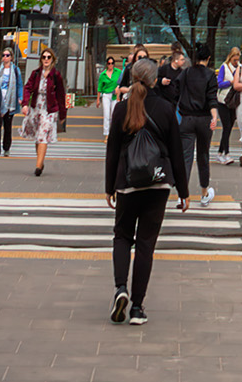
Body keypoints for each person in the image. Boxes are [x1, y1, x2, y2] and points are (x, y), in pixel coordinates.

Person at [104, 59, 185, 327]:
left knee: (122, 236)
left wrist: (109, 187)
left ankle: (120, 289)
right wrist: (183, 191)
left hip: (127, 183)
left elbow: (113, 150)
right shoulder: (165, 109)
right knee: (146, 244)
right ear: (153, 79)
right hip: (158, 183)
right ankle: (137, 308)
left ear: (132, 76)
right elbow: (176, 152)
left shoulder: (121, 108)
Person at [174, 56, 219, 207]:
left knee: (186, 157)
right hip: (204, 120)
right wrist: (214, 116)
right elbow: (212, 98)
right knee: (203, 155)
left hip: (187, 119)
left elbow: (176, 89)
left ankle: (182, 196)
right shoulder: (211, 74)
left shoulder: (186, 73)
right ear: (207, 59)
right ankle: (204, 193)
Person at [21, 53, 66, 179]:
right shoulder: (36, 73)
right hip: (36, 107)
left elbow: (61, 95)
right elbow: (27, 88)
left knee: (42, 136)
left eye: (48, 57)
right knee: (37, 136)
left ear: (53, 59)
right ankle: (40, 161)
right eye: (44, 57)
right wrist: (25, 104)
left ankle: (38, 167)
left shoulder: (56, 75)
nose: (46, 59)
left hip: (49, 109)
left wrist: (63, 114)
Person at [0, 48, 20, 162]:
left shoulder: (15, 70)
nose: (5, 57)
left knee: (7, 126)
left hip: (10, 102)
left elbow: (19, 85)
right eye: (3, 55)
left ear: (11, 57)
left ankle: (6, 148)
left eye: (7, 55)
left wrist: (20, 98)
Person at [214, 54, 240, 165]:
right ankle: (226, 153)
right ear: (230, 58)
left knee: (228, 128)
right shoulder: (224, 67)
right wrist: (230, 82)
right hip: (223, 100)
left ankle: (220, 153)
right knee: (227, 126)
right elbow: (219, 83)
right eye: (234, 60)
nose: (236, 62)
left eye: (238, 60)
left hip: (233, 101)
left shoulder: (240, 67)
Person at [98, 58, 123, 142]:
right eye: (109, 63)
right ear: (106, 64)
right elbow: (100, 87)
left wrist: (118, 87)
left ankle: (114, 133)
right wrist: (98, 99)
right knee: (106, 114)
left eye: (112, 63)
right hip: (106, 95)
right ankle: (106, 134)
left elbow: (122, 81)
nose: (110, 65)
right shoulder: (103, 74)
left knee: (114, 114)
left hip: (115, 95)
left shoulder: (118, 72)